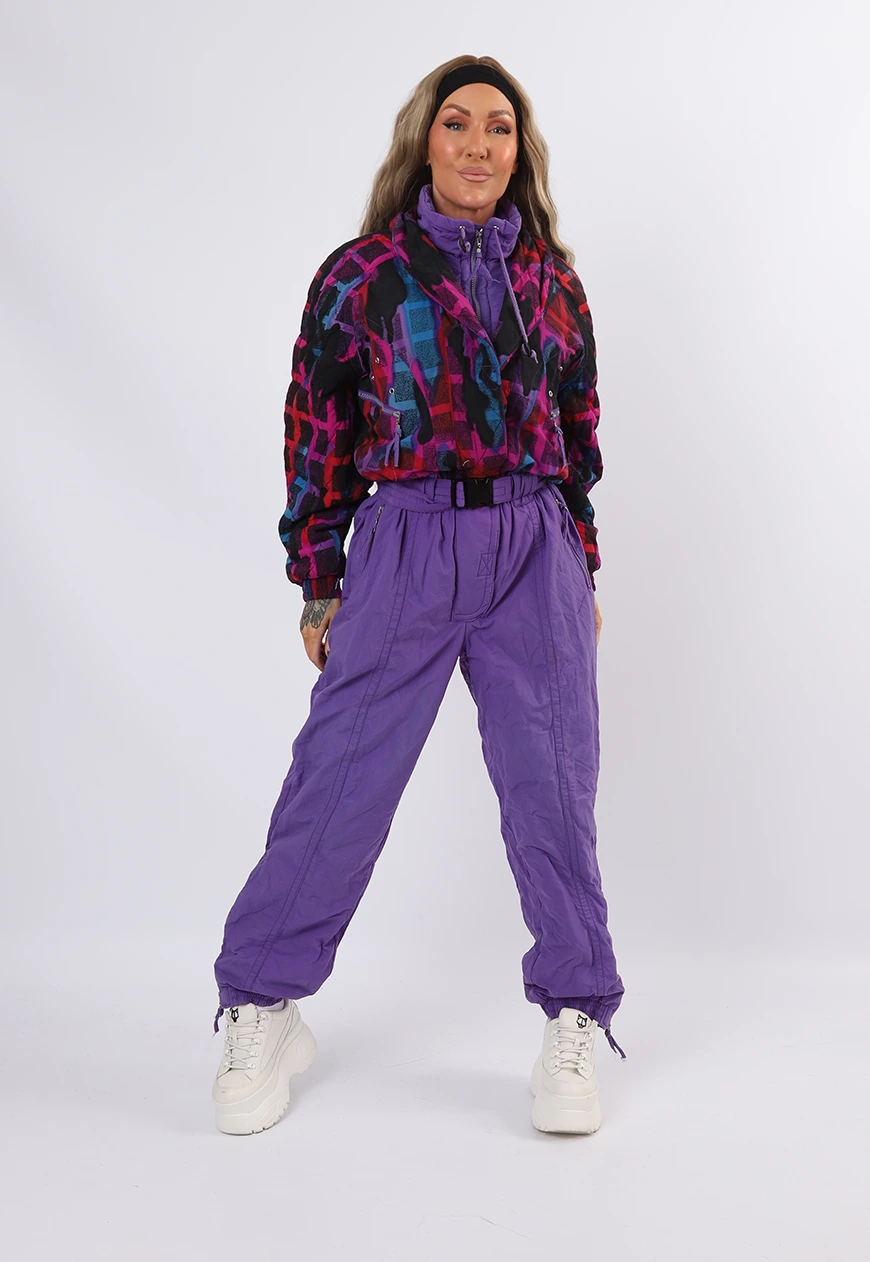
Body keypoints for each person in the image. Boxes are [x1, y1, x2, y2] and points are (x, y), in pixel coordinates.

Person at [211, 54, 626, 1138]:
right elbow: (316, 427)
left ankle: (576, 1012)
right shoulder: (363, 276)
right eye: (457, 123)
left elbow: (579, 430)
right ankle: (261, 1002)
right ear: (424, 141)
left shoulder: (552, 280)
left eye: (499, 127)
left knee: (553, 786)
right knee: (341, 780)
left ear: (518, 152)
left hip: (533, 544)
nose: (478, 144)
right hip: (405, 538)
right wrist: (320, 579)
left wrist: (578, 559)